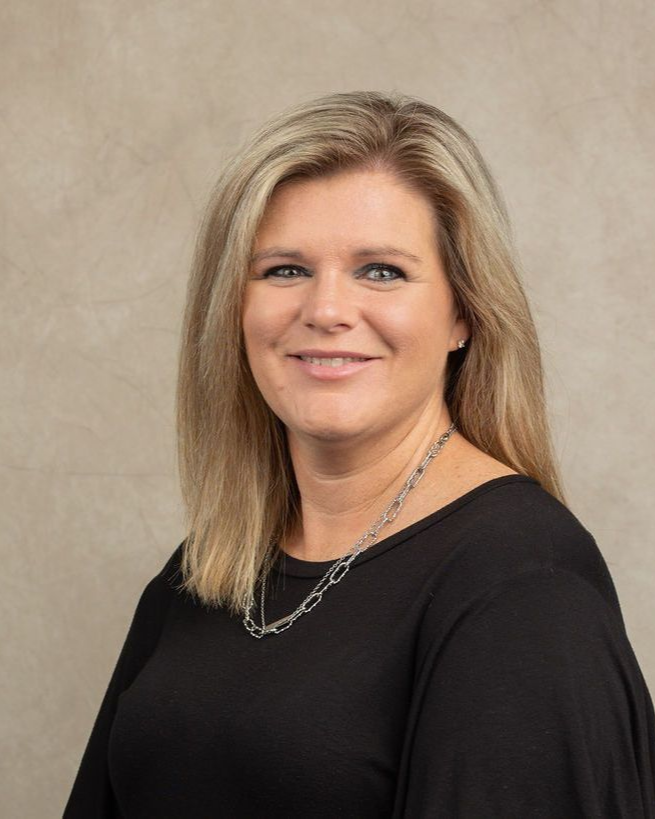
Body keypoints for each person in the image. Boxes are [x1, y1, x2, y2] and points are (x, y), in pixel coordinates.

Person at [63, 90, 655, 818]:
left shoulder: (522, 586)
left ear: (464, 313)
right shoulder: (204, 570)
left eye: (381, 271)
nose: (326, 310)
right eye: (284, 269)